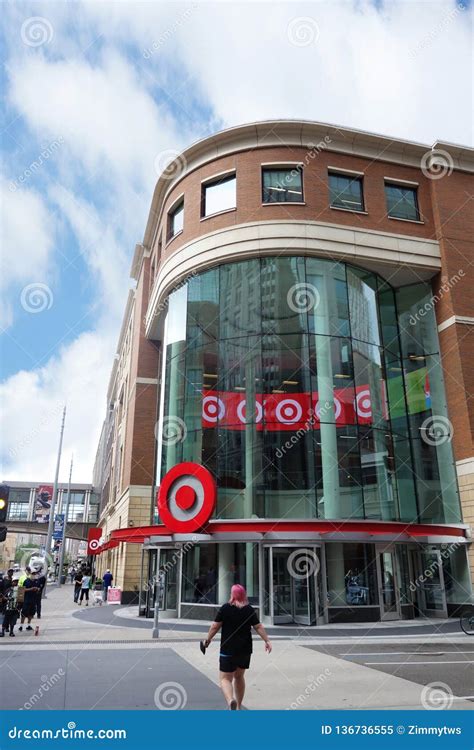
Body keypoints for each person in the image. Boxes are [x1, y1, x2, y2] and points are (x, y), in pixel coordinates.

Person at [203, 584, 272, 710]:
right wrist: (267, 640)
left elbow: (215, 626)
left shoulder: (225, 608)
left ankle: (230, 701)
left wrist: (207, 640)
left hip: (228, 650)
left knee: (225, 678)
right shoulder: (249, 609)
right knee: (239, 677)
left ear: (232, 595)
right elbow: (258, 626)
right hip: (245, 651)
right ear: (244, 595)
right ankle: (239, 707)